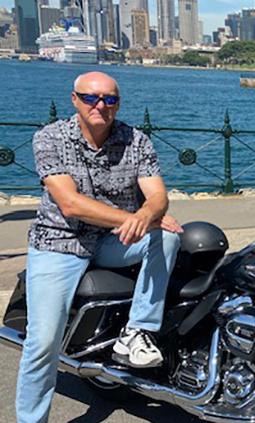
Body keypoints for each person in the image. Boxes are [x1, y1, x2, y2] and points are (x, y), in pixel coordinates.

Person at [16, 72, 183, 423]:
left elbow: (158, 196)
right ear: (75, 99)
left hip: (110, 240)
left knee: (167, 237)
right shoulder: (51, 138)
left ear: (118, 103)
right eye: (91, 98)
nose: (101, 106)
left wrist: (149, 214)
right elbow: (71, 205)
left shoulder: (135, 140)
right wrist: (133, 217)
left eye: (109, 99)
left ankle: (137, 332)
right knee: (42, 342)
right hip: (60, 241)